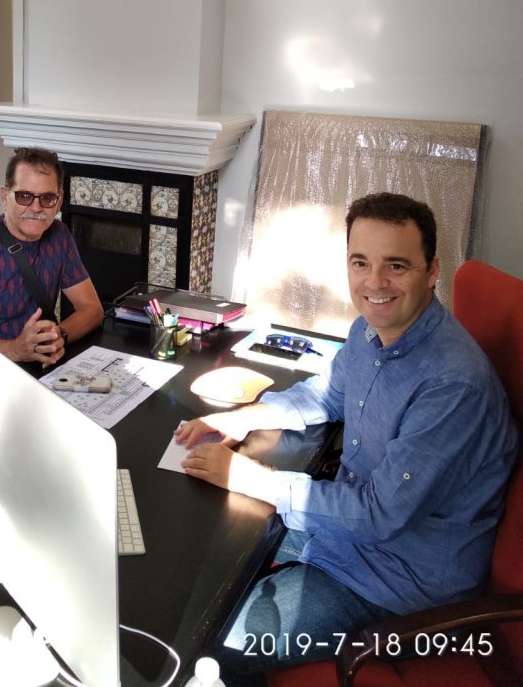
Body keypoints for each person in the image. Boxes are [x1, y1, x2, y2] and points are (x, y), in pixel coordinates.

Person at [175, 192, 518, 679]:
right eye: (360, 262)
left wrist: (248, 477)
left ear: (432, 270)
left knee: (210, 643)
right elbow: (328, 395)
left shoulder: (452, 386)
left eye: (396, 265)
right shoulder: (367, 332)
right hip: (342, 538)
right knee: (195, 570)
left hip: (398, 588)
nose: (374, 282)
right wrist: (245, 417)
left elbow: (378, 516)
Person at [0, 146, 103, 368]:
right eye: (24, 196)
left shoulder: (59, 236)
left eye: (47, 198)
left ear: (59, 202)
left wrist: (58, 336)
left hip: (38, 366)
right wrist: (15, 349)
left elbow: (92, 309)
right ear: (5, 197)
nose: (36, 207)